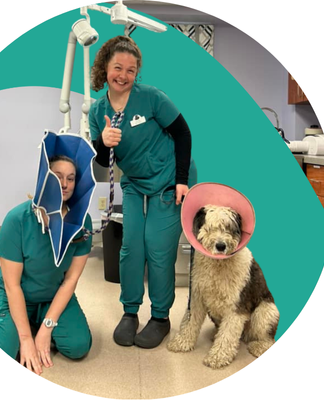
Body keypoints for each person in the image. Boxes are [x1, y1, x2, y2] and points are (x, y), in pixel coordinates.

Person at [89, 36, 197, 349]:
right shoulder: (98, 111)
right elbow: (101, 160)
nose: (123, 75)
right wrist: (103, 143)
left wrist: (181, 179)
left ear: (137, 73)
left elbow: (182, 133)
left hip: (170, 179)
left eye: (131, 70)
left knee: (158, 248)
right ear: (105, 67)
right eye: (117, 67)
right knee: (131, 246)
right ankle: (130, 311)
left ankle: (161, 317)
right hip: (135, 182)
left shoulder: (150, 97)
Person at [0, 155, 93, 375]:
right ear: (45, 178)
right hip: (12, 294)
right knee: (1, 352)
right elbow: (12, 285)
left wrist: (46, 328)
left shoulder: (82, 222)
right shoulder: (17, 219)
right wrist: (25, 339)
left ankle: (35, 321)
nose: (65, 184)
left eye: (70, 178)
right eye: (58, 177)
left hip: (51, 295)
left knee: (78, 345)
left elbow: (71, 279)